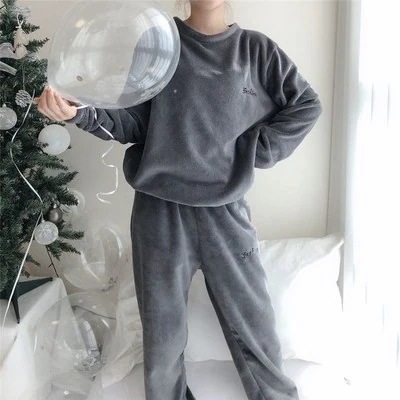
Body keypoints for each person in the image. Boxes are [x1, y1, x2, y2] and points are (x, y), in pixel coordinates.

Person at [35, 1, 322, 399]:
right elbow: (131, 121)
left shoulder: (257, 51)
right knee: (163, 340)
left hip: (226, 213)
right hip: (159, 213)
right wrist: (78, 114)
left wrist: (255, 151)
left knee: (256, 330)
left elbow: (306, 105)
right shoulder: (158, 43)